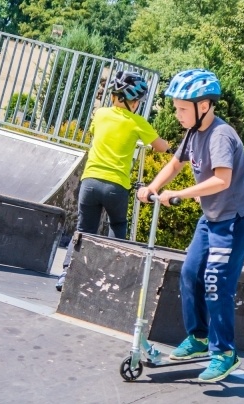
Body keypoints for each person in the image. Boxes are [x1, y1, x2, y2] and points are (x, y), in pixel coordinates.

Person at [138, 69, 244, 383]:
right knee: (191, 272)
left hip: (236, 218)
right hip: (212, 217)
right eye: (176, 107)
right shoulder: (193, 133)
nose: (177, 114)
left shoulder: (221, 135)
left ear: (203, 106)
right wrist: (152, 188)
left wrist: (178, 194)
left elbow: (222, 180)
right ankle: (199, 337)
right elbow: (176, 164)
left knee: (216, 281)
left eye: (181, 109)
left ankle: (225, 353)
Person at [56, 71, 169, 290]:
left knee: (84, 230)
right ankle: (111, 278)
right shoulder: (138, 122)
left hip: (90, 182)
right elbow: (161, 147)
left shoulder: (100, 114)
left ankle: (66, 273)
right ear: (133, 102)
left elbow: (94, 132)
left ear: (114, 97)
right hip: (116, 186)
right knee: (117, 227)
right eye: (138, 101)